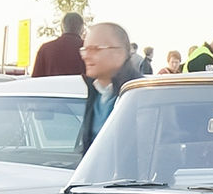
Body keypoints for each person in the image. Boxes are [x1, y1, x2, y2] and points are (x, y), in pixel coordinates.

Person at [76, 21, 141, 155]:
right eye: (84, 50)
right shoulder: (95, 92)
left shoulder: (141, 94)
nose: (86, 56)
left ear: (120, 53)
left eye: (95, 49)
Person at [31, 12, 85, 77]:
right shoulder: (87, 48)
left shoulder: (45, 49)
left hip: (51, 87)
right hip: (80, 87)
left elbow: (36, 80)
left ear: (62, 27)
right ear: (82, 28)